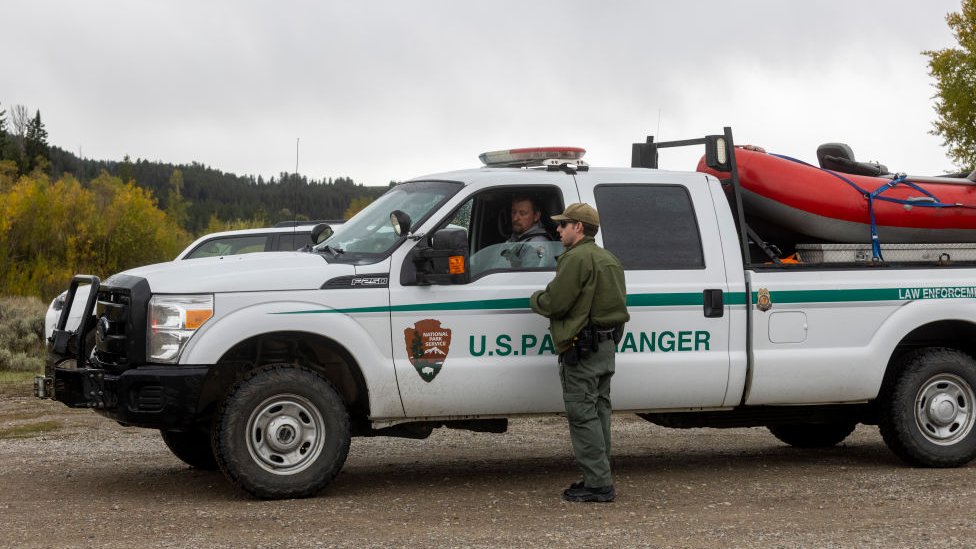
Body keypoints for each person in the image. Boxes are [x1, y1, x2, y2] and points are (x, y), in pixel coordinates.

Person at [529, 202, 629, 503]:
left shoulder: (576, 259)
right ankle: (598, 475)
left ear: (579, 228)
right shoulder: (608, 258)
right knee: (599, 412)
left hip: (583, 350)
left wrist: (536, 298)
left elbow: (556, 303)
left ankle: (598, 484)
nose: (558, 230)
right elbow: (617, 308)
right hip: (605, 346)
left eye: (564, 224)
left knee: (582, 414)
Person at [501, 196, 552, 268]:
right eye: (513, 212)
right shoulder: (516, 238)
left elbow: (527, 277)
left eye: (522, 213)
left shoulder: (537, 244)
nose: (515, 218)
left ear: (536, 216)